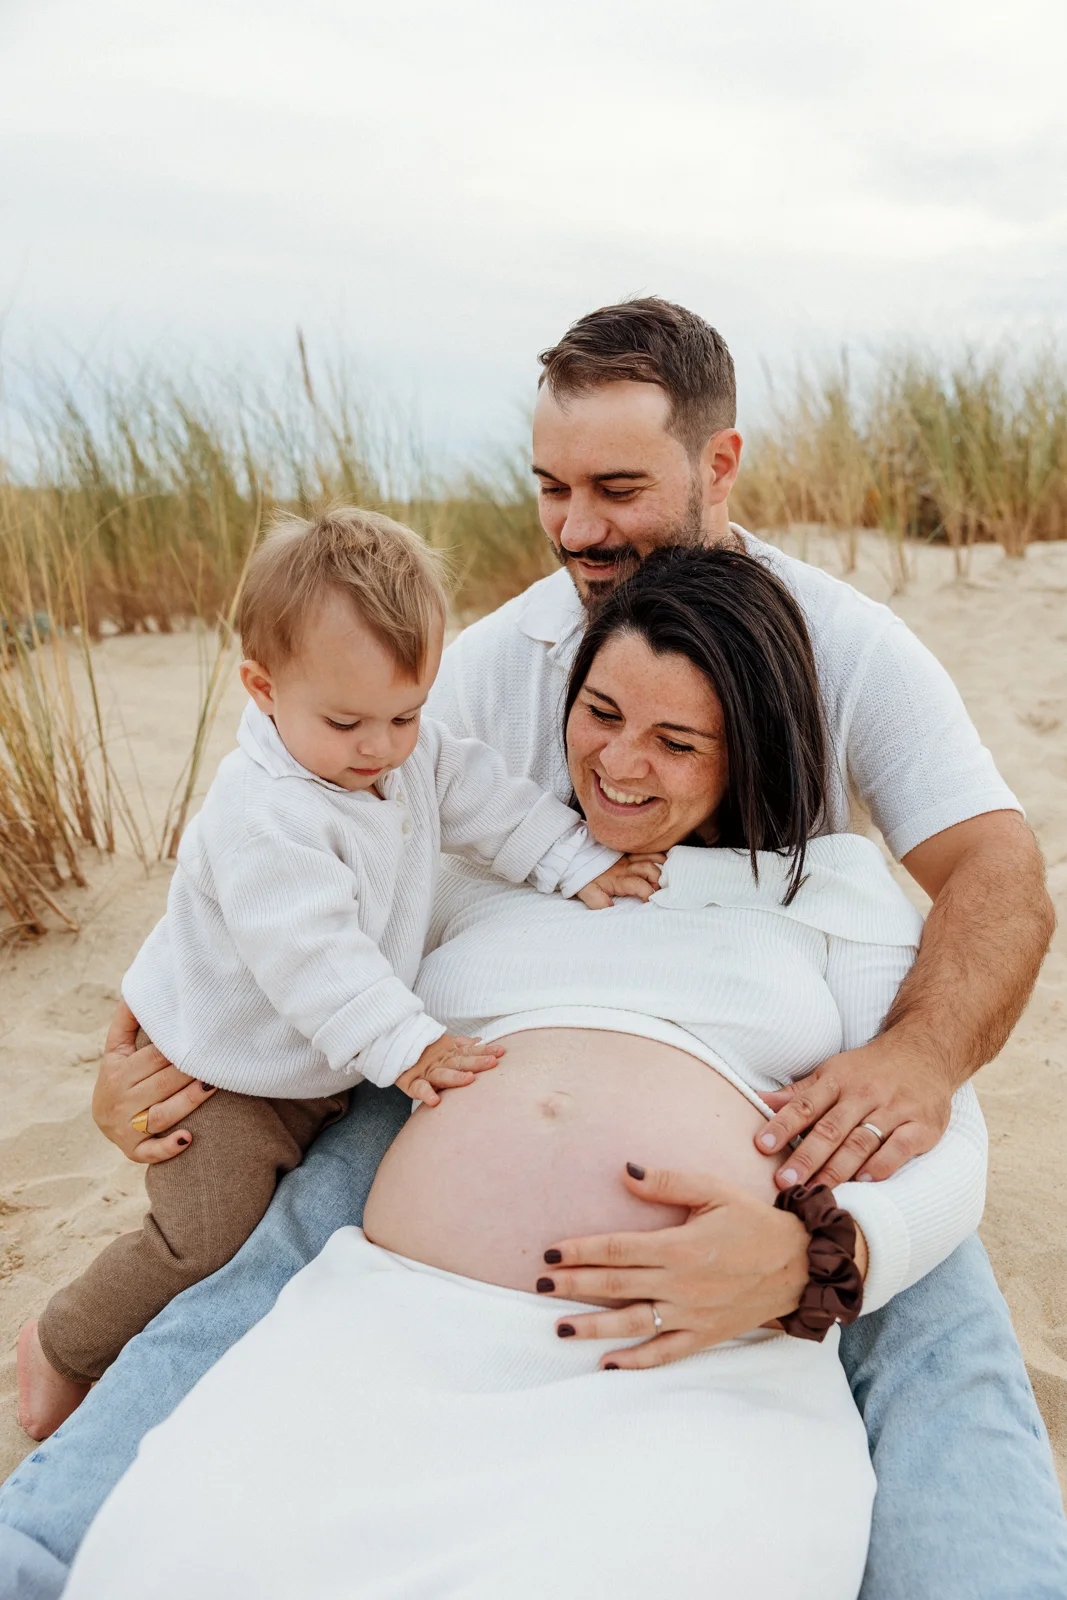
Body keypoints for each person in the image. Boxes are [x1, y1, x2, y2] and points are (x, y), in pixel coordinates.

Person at [2, 300, 1064, 1600]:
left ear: (716, 466)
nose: (574, 528)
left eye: (615, 487)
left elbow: (995, 876)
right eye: (549, 489)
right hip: (443, 1089)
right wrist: (162, 1053)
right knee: (260, 1267)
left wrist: (904, 1075)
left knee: (931, 1332)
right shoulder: (490, 666)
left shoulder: (837, 662)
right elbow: (283, 836)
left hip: (769, 1106)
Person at [16, 505, 637, 1442]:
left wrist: (574, 861)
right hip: (222, 1071)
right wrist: (409, 1045)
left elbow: (491, 802)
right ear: (262, 688)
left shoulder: (402, 752)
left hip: (318, 1061)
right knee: (208, 1238)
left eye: (405, 713)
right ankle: (62, 1345)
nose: (381, 745)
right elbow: (315, 960)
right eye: (346, 720)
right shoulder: (265, 813)